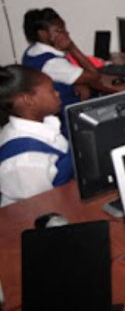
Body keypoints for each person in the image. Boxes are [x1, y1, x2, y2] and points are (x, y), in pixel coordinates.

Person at [22, 8, 110, 132]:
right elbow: (95, 76)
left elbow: (59, 77)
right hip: (70, 116)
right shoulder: (52, 63)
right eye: (59, 30)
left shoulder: (32, 51)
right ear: (43, 34)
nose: (66, 33)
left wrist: (78, 82)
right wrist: (72, 47)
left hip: (63, 109)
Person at [0, 65, 73, 206]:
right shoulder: (26, 160)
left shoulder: (45, 124)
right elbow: (40, 211)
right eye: (51, 90)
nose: (57, 93)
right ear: (29, 100)